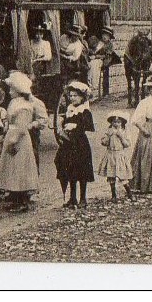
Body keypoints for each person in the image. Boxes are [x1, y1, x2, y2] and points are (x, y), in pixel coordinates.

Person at [0, 71, 47, 212]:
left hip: (19, 140)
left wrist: (12, 141)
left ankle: (22, 200)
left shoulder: (24, 106)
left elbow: (21, 127)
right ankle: (13, 196)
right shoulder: (14, 102)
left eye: (12, 89)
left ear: (18, 90)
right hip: (12, 136)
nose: (10, 92)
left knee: (20, 168)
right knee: (12, 168)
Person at [54, 81, 95, 209]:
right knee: (69, 169)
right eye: (71, 96)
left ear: (82, 97)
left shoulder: (85, 110)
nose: (72, 98)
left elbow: (89, 126)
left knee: (82, 170)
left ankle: (83, 198)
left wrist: (76, 126)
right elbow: (65, 122)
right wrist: (62, 123)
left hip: (80, 143)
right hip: (68, 144)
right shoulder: (70, 109)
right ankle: (72, 198)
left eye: (75, 96)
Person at [98, 111, 135, 203]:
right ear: (111, 122)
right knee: (111, 176)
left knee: (123, 176)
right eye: (114, 122)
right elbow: (103, 142)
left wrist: (121, 136)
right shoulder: (109, 131)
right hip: (111, 154)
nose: (116, 124)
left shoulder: (124, 131)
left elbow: (127, 144)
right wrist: (108, 137)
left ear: (122, 123)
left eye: (118, 122)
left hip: (120, 155)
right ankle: (113, 195)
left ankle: (130, 194)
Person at [87, 27, 115, 101]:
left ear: (109, 37)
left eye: (107, 36)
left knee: (94, 64)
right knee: (89, 64)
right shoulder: (97, 42)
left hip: (103, 61)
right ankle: (88, 84)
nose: (105, 37)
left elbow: (107, 55)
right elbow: (90, 49)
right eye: (104, 35)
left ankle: (93, 88)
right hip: (92, 58)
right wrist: (91, 53)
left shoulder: (109, 45)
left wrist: (96, 56)